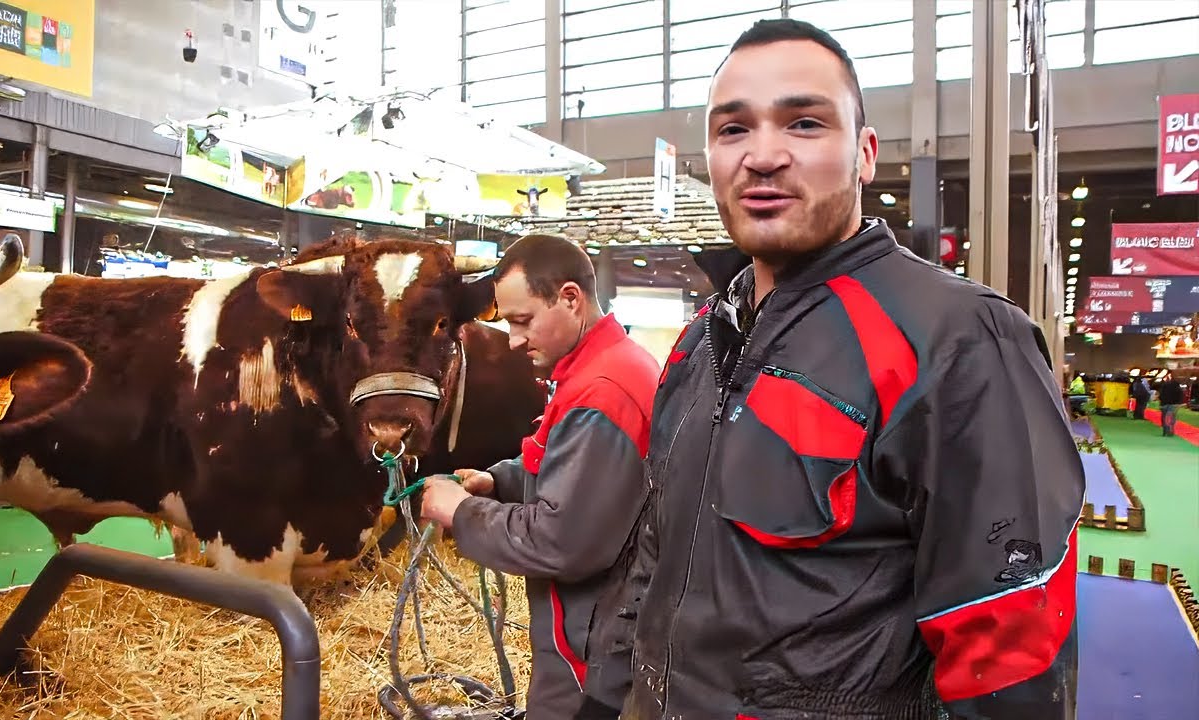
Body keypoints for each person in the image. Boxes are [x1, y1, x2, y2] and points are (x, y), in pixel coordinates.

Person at [609, 18, 1086, 720]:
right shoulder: (695, 346)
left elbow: (1009, 648)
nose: (762, 156)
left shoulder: (959, 341)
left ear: (865, 154)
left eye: (804, 123)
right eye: (732, 130)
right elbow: (654, 565)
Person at [420, 234, 661, 719]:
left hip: (589, 652)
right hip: (593, 634)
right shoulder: (600, 369)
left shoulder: (602, 392)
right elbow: (580, 472)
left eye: (521, 320)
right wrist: (501, 482)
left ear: (570, 299)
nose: (513, 339)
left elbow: (560, 542)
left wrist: (461, 512)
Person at [1156, 372, 1184, 437]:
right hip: (1173, 404)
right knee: (1171, 417)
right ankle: (1170, 430)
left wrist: (1161, 401)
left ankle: (1165, 430)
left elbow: (1161, 394)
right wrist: (1179, 403)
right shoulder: (1177, 387)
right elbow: (1180, 396)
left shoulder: (1164, 386)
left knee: (1164, 417)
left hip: (1164, 404)